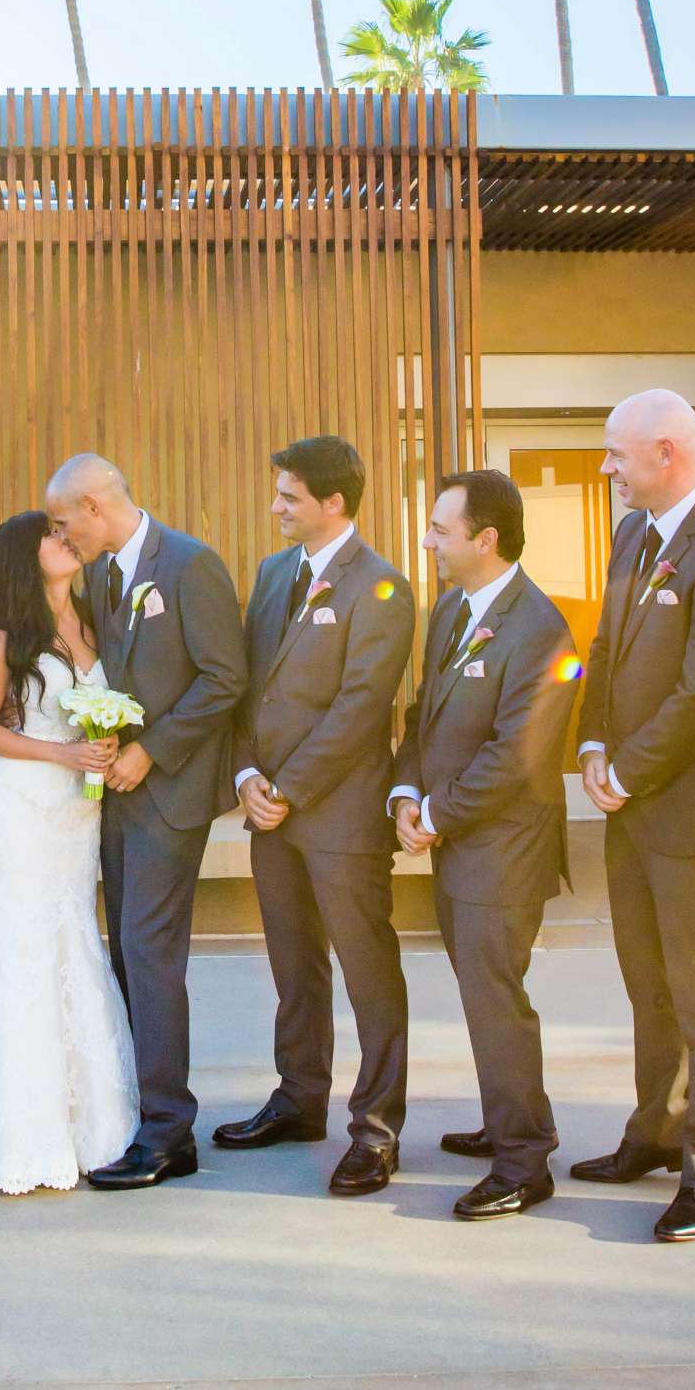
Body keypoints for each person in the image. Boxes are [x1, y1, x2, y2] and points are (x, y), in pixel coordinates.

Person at [572, 390, 695, 1242]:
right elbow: (605, 650)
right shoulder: (632, 535)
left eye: (617, 455)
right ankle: (654, 1132)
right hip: (630, 805)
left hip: (692, 815)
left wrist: (626, 768)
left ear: (667, 453)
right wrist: (588, 748)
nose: (607, 469)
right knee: (647, 986)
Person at [0, 512, 138, 1193]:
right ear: (23, 556)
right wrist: (61, 750)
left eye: (68, 534)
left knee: (70, 937)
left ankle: (82, 1120)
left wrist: (103, 748)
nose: (66, 541)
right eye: (51, 535)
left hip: (76, 812)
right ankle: (7, 1124)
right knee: (19, 939)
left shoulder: (94, 622)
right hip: (20, 806)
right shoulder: (11, 634)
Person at [44, 454, 246, 1189]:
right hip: (116, 796)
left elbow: (226, 676)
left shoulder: (191, 565)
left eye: (67, 522)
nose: (63, 537)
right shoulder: (97, 576)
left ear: (96, 506)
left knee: (149, 951)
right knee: (129, 955)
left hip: (170, 794)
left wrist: (152, 753)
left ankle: (168, 1133)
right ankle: (138, 1105)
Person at [219, 437, 414, 1196]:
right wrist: (245, 775)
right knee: (293, 967)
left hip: (339, 817)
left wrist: (289, 787)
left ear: (333, 503)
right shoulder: (273, 574)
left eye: (289, 497)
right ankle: (300, 1100)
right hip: (270, 811)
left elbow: (362, 708)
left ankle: (378, 1127)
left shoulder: (385, 588)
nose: (276, 508)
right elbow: (245, 685)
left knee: (368, 972)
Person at [391, 470, 578, 1219]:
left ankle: (524, 1164)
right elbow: (423, 715)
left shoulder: (541, 629)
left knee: (496, 999)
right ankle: (518, 1122)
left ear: (485, 539)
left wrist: (437, 813)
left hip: (503, 850)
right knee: (482, 995)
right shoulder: (450, 611)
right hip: (457, 840)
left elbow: (518, 755)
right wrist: (407, 792)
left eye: (440, 528)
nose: (429, 540)